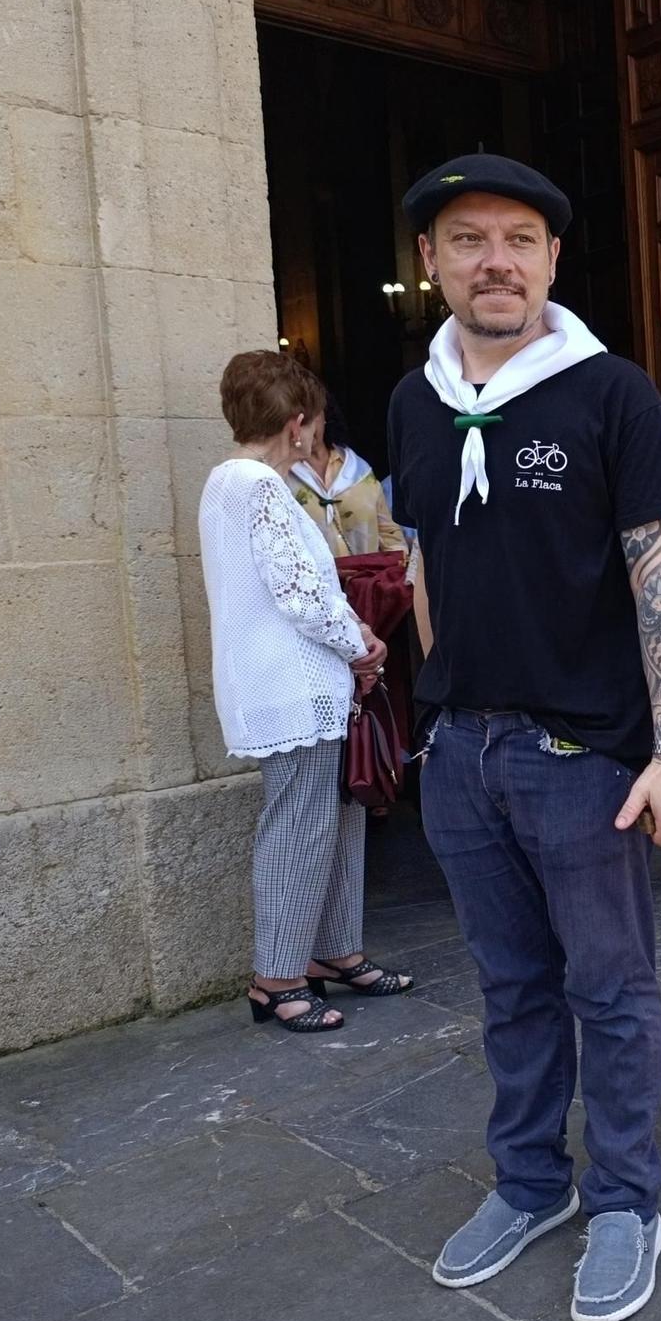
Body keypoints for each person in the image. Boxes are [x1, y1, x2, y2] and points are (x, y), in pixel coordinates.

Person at [387, 154, 661, 1321]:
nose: (496, 262)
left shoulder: (609, 393)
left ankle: (624, 1200)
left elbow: (658, 578)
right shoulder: (414, 401)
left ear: (553, 260)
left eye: (519, 239)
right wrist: (439, 709)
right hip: (460, 759)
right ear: (430, 262)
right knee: (510, 989)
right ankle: (530, 1184)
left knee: (610, 991)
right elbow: (423, 565)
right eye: (469, 240)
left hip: (582, 762)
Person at [198, 351, 410, 1034]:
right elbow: (300, 593)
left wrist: (351, 646)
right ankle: (278, 978)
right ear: (297, 423)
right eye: (313, 423)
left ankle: (333, 952)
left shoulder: (229, 482)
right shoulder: (257, 485)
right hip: (292, 683)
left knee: (335, 817)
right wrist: (361, 644)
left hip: (300, 682)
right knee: (299, 826)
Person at [291, 401, 408, 558]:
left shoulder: (358, 471)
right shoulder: (281, 475)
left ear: (324, 415)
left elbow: (390, 535)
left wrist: (396, 568)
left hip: (366, 574)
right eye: (298, 418)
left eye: (311, 416)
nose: (306, 426)